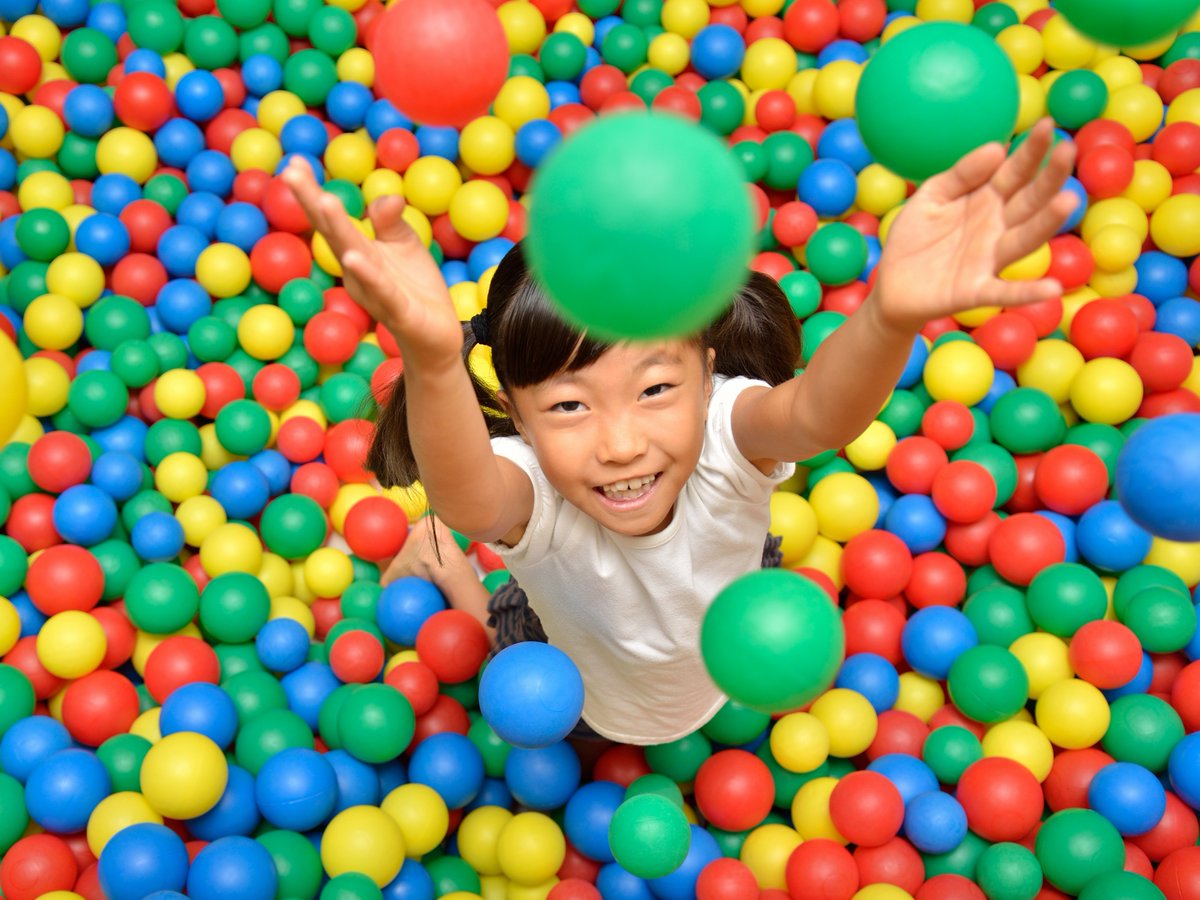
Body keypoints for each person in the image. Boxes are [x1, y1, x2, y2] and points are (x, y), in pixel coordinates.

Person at [282, 118, 1077, 744]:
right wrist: (431, 364)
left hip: (724, 628)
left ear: (707, 369)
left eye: (656, 388)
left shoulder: (731, 432)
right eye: (568, 406)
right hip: (589, 679)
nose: (620, 442)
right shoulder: (540, 500)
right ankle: (446, 568)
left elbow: (818, 414)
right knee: (510, 649)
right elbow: (468, 496)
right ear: (516, 417)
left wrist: (888, 316)